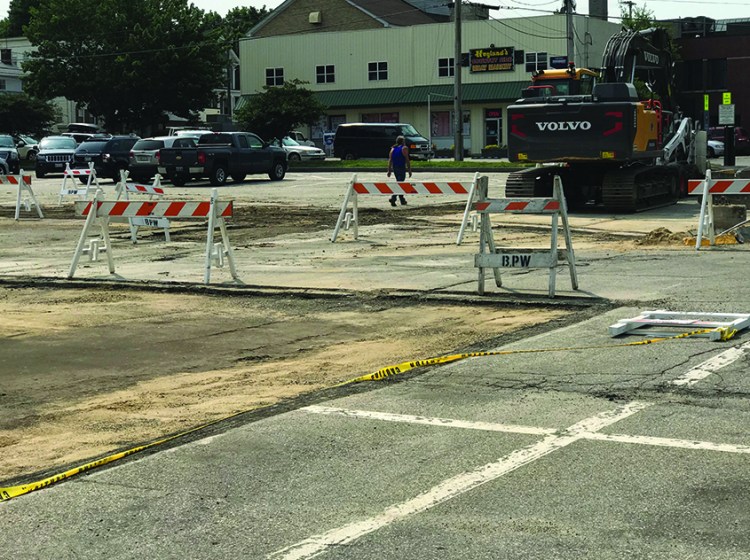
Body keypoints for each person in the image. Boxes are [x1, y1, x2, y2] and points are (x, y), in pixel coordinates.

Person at [387, 135, 411, 206]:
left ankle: (402, 200)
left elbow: (390, 160)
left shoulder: (393, 149)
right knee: (400, 183)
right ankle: (393, 198)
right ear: (403, 141)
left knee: (399, 183)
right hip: (401, 167)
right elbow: (407, 159)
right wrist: (409, 169)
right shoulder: (404, 148)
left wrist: (389, 170)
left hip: (395, 167)